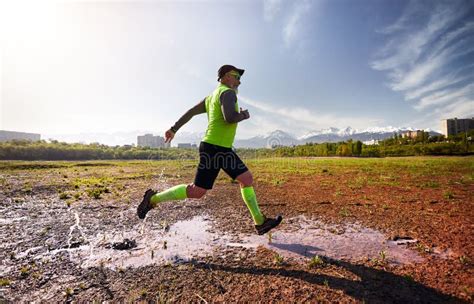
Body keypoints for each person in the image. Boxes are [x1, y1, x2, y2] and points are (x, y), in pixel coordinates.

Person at [137, 64, 282, 235]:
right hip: (217, 148)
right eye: (237, 76)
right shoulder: (228, 93)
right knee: (241, 180)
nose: (239, 82)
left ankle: (153, 199)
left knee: (199, 191)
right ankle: (260, 222)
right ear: (227, 76)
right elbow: (230, 118)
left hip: (215, 148)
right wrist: (244, 115)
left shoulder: (211, 96)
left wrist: (174, 129)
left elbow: (191, 112)